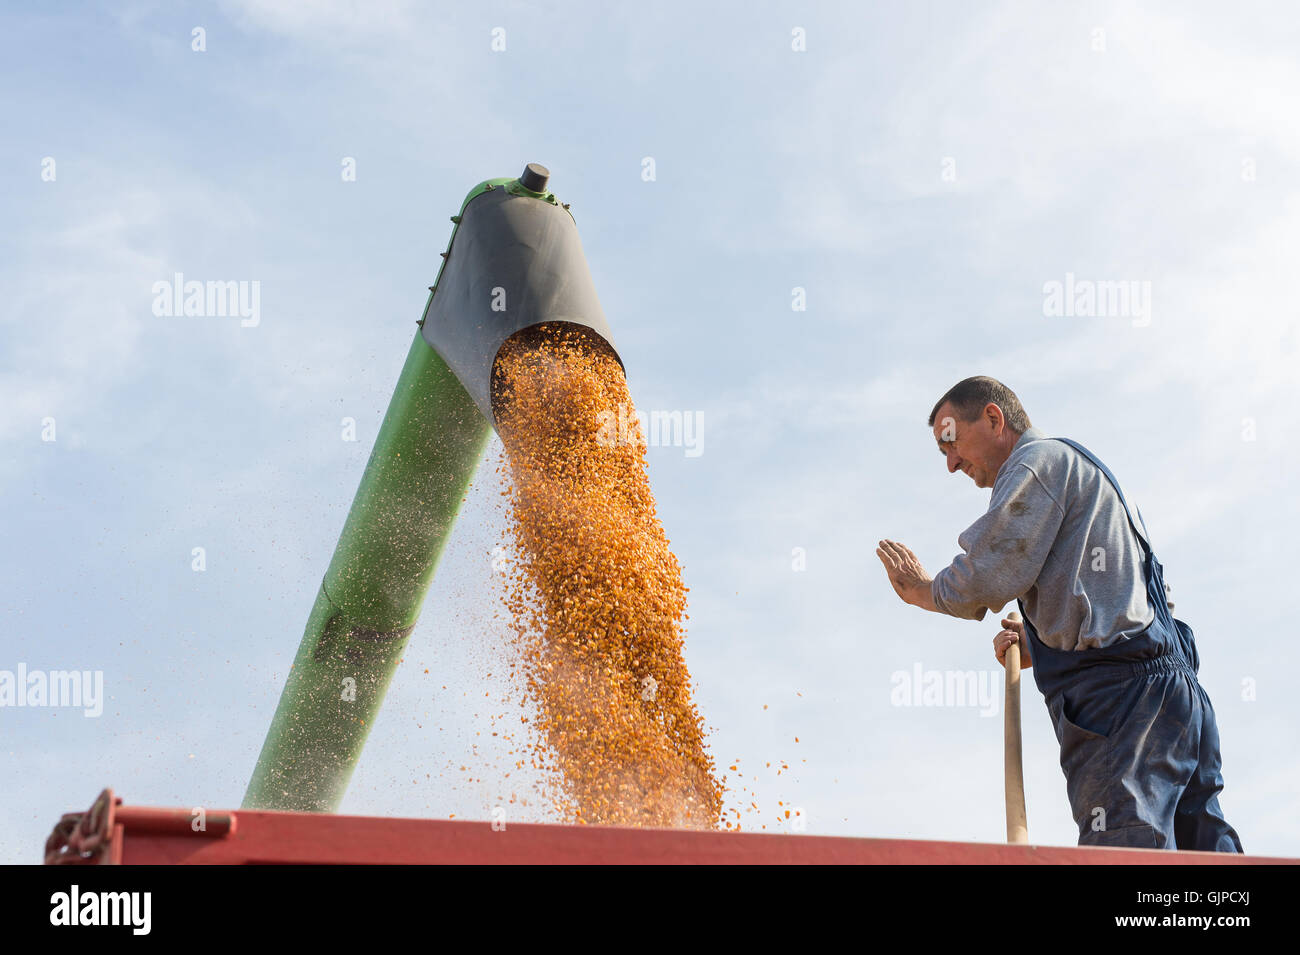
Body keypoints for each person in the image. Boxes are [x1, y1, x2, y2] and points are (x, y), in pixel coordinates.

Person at [875, 375, 1242, 851]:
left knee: (1126, 851)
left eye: (950, 439)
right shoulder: (1083, 471)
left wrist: (923, 591)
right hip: (1175, 697)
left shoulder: (1034, 463)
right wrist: (1041, 640)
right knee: (1206, 859)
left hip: (1122, 703)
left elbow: (988, 574)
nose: (950, 463)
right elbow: (1119, 594)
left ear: (992, 417)